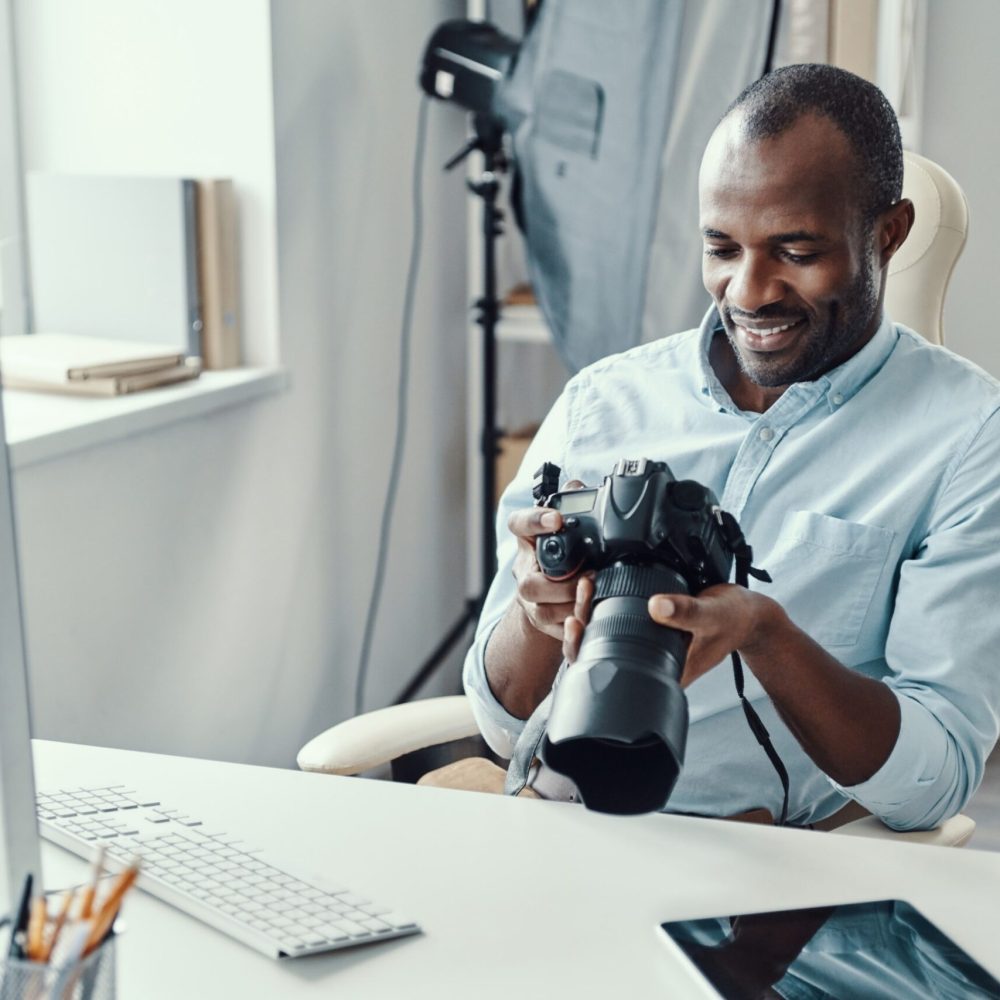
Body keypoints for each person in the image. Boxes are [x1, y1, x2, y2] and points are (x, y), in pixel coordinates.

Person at [456, 63, 1000, 829]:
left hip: (775, 868)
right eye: (721, 248)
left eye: (797, 252)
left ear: (888, 233)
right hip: (559, 826)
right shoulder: (603, 401)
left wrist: (764, 635)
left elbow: (936, 779)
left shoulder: (968, 436)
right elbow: (502, 722)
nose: (749, 291)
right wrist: (535, 618)